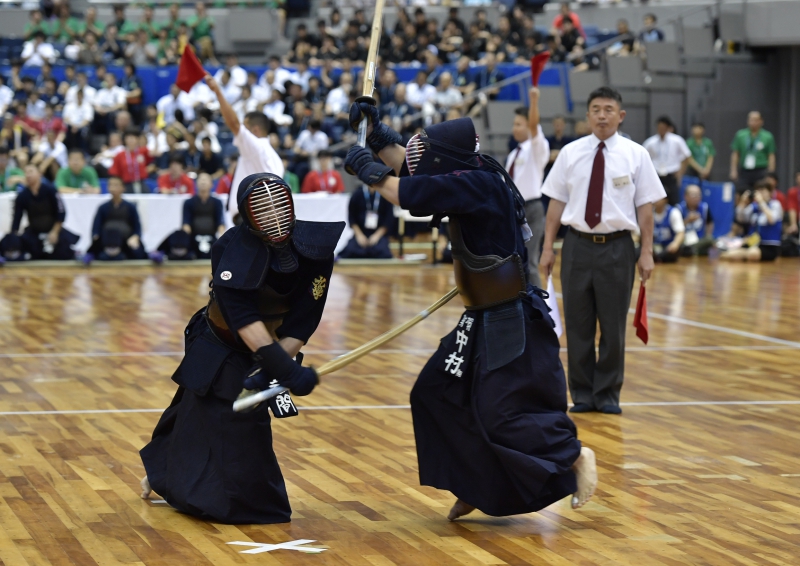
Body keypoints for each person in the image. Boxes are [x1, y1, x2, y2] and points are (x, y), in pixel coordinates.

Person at [344, 103, 597, 521]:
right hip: (479, 316)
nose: (421, 161)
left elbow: (406, 192)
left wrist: (369, 171)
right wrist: (374, 133)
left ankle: (574, 456)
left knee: (502, 413)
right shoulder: (469, 170)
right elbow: (410, 171)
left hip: (508, 318)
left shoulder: (479, 182)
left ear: (446, 159)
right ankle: (475, 484)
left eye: (429, 154)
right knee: (433, 393)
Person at [140, 172, 344, 523]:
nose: (274, 217)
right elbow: (244, 319)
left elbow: (304, 317)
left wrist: (280, 360)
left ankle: (165, 476)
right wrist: (282, 367)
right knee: (199, 413)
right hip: (221, 341)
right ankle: (167, 476)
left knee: (214, 420)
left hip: (270, 345)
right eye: (262, 210)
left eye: (278, 206)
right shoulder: (230, 250)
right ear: (247, 216)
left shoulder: (315, 246)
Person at [541, 87, 665, 414]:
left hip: (618, 249)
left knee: (612, 327)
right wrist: (547, 248)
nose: (602, 115)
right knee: (579, 326)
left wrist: (647, 251)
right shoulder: (570, 153)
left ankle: (608, 394)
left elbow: (646, 208)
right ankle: (582, 394)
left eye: (608, 109)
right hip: (577, 246)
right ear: (587, 115)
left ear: (620, 116)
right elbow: (556, 202)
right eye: (595, 109)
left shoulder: (636, 154)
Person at [205, 74, 283, 219]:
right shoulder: (275, 158)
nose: (242, 131)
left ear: (255, 131)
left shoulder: (256, 147)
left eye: (246, 127)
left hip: (251, 219)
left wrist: (217, 91)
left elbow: (234, 124)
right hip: (265, 219)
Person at [505, 89, 549, 287]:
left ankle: (540, 313)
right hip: (512, 210)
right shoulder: (514, 153)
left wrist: (534, 101)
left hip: (531, 208)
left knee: (529, 262)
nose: (514, 128)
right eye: (513, 124)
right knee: (511, 263)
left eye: (518, 124)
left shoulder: (537, 147)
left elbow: (534, 126)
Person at [10, 164, 79, 260]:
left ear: (39, 174)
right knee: (29, 252)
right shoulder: (22, 196)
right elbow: (17, 218)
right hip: (34, 231)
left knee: (64, 253)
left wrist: (54, 232)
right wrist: (13, 238)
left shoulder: (51, 190)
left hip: (53, 229)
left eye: (31, 172)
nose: (28, 175)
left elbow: (61, 212)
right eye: (26, 173)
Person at [85, 176, 148, 262]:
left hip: (126, 240)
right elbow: (96, 228)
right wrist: (96, 239)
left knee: (139, 253)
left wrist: (135, 237)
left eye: (116, 185)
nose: (113, 188)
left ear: (123, 188)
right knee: (92, 254)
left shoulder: (130, 207)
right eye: (111, 185)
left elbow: (137, 228)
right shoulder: (103, 207)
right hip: (106, 241)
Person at [722, 181, 782, 262]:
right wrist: (742, 203)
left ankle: (743, 256)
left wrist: (761, 202)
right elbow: (741, 218)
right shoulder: (754, 207)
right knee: (730, 254)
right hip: (754, 242)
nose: (760, 194)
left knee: (751, 253)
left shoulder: (775, 204)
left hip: (769, 246)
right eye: (758, 191)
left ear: (769, 193)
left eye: (763, 191)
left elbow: (771, 219)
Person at [642, 116, 691, 205]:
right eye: (659, 127)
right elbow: (642, 157)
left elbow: (687, 156)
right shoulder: (650, 142)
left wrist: (680, 173)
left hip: (672, 175)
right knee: (656, 200)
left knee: (674, 201)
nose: (661, 129)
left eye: (663, 127)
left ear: (668, 128)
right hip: (657, 175)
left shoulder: (677, 140)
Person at [337, 184, 394, 260]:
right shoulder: (358, 193)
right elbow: (352, 218)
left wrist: (377, 236)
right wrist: (359, 235)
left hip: (378, 234)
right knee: (350, 250)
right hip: (361, 233)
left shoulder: (384, 194)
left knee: (383, 252)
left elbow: (388, 218)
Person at [180, 172, 226, 259]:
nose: (203, 182)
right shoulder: (188, 202)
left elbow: (221, 223)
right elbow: (186, 224)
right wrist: (187, 240)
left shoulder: (217, 202)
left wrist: (222, 240)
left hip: (211, 238)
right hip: (194, 238)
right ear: (196, 184)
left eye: (206, 180)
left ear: (211, 184)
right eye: (200, 180)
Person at [730, 111, 776, 196]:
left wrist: (770, 173)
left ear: (761, 121)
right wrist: (733, 170)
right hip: (745, 170)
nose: (753, 122)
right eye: (751, 120)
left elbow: (771, 155)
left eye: (755, 120)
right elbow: (735, 153)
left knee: (760, 192)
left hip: (761, 169)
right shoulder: (740, 135)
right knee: (743, 193)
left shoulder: (767, 136)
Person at [679, 184, 715, 256]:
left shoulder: (705, 208)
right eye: (693, 195)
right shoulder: (679, 209)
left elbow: (710, 223)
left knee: (710, 240)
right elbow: (675, 228)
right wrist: (687, 220)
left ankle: (691, 250)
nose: (696, 198)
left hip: (699, 240)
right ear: (685, 196)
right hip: (684, 240)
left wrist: (707, 234)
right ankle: (691, 250)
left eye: (698, 195)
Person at [652, 197, 685, 263]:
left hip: (667, 247)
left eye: (658, 197)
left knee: (676, 250)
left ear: (665, 200)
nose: (655, 200)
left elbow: (681, 232)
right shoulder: (648, 212)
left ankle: (657, 258)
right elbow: (638, 234)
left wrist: (675, 243)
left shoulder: (673, 212)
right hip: (653, 246)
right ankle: (656, 257)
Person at [545, 115, 575, 180]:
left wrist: (555, 154)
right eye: (556, 124)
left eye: (560, 124)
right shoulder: (547, 140)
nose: (558, 126)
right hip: (550, 171)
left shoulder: (569, 141)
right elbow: (546, 156)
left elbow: (570, 156)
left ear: (564, 125)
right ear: (553, 125)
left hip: (565, 171)